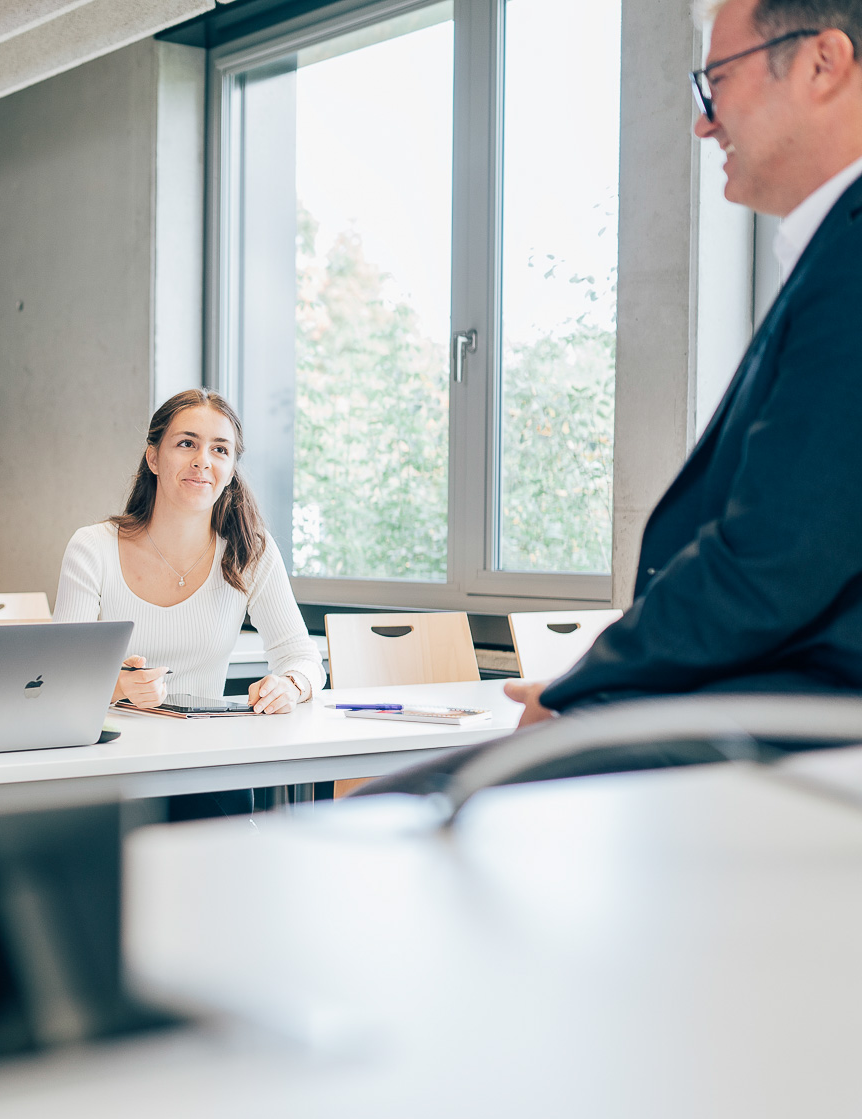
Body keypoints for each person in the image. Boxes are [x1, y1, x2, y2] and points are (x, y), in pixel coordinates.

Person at [362, 0, 862, 795]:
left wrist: (580, 689)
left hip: (800, 728)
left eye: (715, 84)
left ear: (822, 63)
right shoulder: (830, 252)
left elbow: (773, 561)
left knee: (398, 812)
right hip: (761, 709)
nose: (705, 124)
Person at [55, 388, 325, 819]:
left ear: (232, 469)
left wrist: (290, 686)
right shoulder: (93, 547)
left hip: (205, 765)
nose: (203, 460)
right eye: (187, 443)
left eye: (220, 449)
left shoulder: (248, 550)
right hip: (105, 765)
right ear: (153, 458)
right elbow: (57, 677)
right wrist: (120, 687)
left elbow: (304, 658)